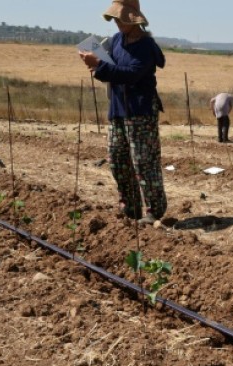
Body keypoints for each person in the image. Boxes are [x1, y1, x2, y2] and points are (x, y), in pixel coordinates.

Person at [79, 0, 167, 224]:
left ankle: (154, 210)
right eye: (115, 19)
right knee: (117, 159)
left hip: (140, 110)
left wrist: (99, 66)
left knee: (143, 162)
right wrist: (96, 65)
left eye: (121, 19)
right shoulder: (117, 40)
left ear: (133, 19)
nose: (117, 23)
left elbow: (131, 74)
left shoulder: (146, 46)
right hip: (118, 108)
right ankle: (131, 208)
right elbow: (113, 70)